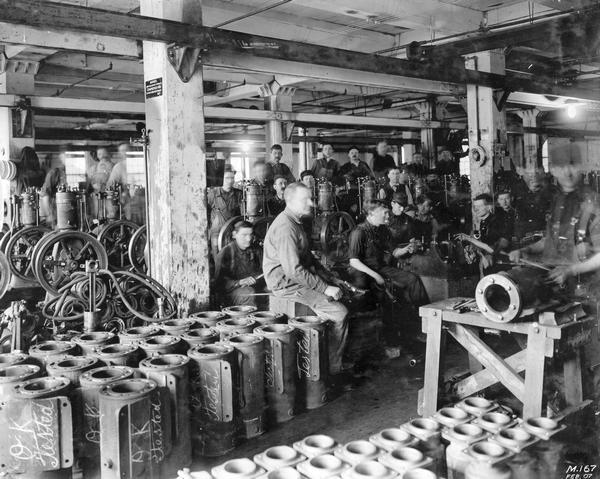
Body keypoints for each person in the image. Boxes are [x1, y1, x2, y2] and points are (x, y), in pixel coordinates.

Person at [263, 182, 349, 380]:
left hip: (294, 278)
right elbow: (294, 270)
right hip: (286, 284)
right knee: (339, 313)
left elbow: (307, 259)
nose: (312, 203)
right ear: (291, 201)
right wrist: (325, 288)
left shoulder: (296, 222)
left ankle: (320, 358)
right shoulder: (286, 227)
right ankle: (332, 368)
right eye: (306, 199)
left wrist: (330, 277)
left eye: (311, 198)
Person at [347, 200, 429, 346]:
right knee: (388, 296)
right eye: (384, 212)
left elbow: (394, 251)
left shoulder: (383, 229)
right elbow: (354, 261)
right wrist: (376, 275)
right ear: (371, 213)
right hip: (363, 273)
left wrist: (407, 249)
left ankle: (426, 323)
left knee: (413, 279)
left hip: (381, 268)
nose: (388, 215)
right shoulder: (359, 232)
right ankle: (392, 339)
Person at [215, 221, 264, 307]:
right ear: (234, 234)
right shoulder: (226, 252)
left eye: (251, 234)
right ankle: (248, 320)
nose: (249, 239)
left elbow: (264, 270)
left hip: (255, 287)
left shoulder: (257, 250)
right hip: (233, 291)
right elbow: (219, 283)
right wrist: (239, 282)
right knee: (248, 293)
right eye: (244, 235)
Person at [460, 193, 511, 274]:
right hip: (488, 265)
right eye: (475, 206)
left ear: (489, 207)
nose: (476, 209)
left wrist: (469, 239)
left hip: (499, 266)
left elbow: (493, 247)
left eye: (479, 206)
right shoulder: (481, 222)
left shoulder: (496, 222)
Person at [207, 168, 243, 258]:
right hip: (216, 233)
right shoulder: (213, 194)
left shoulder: (239, 194)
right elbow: (206, 212)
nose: (230, 181)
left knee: (233, 259)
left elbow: (242, 214)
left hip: (233, 233)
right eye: (227, 178)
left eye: (232, 178)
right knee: (218, 259)